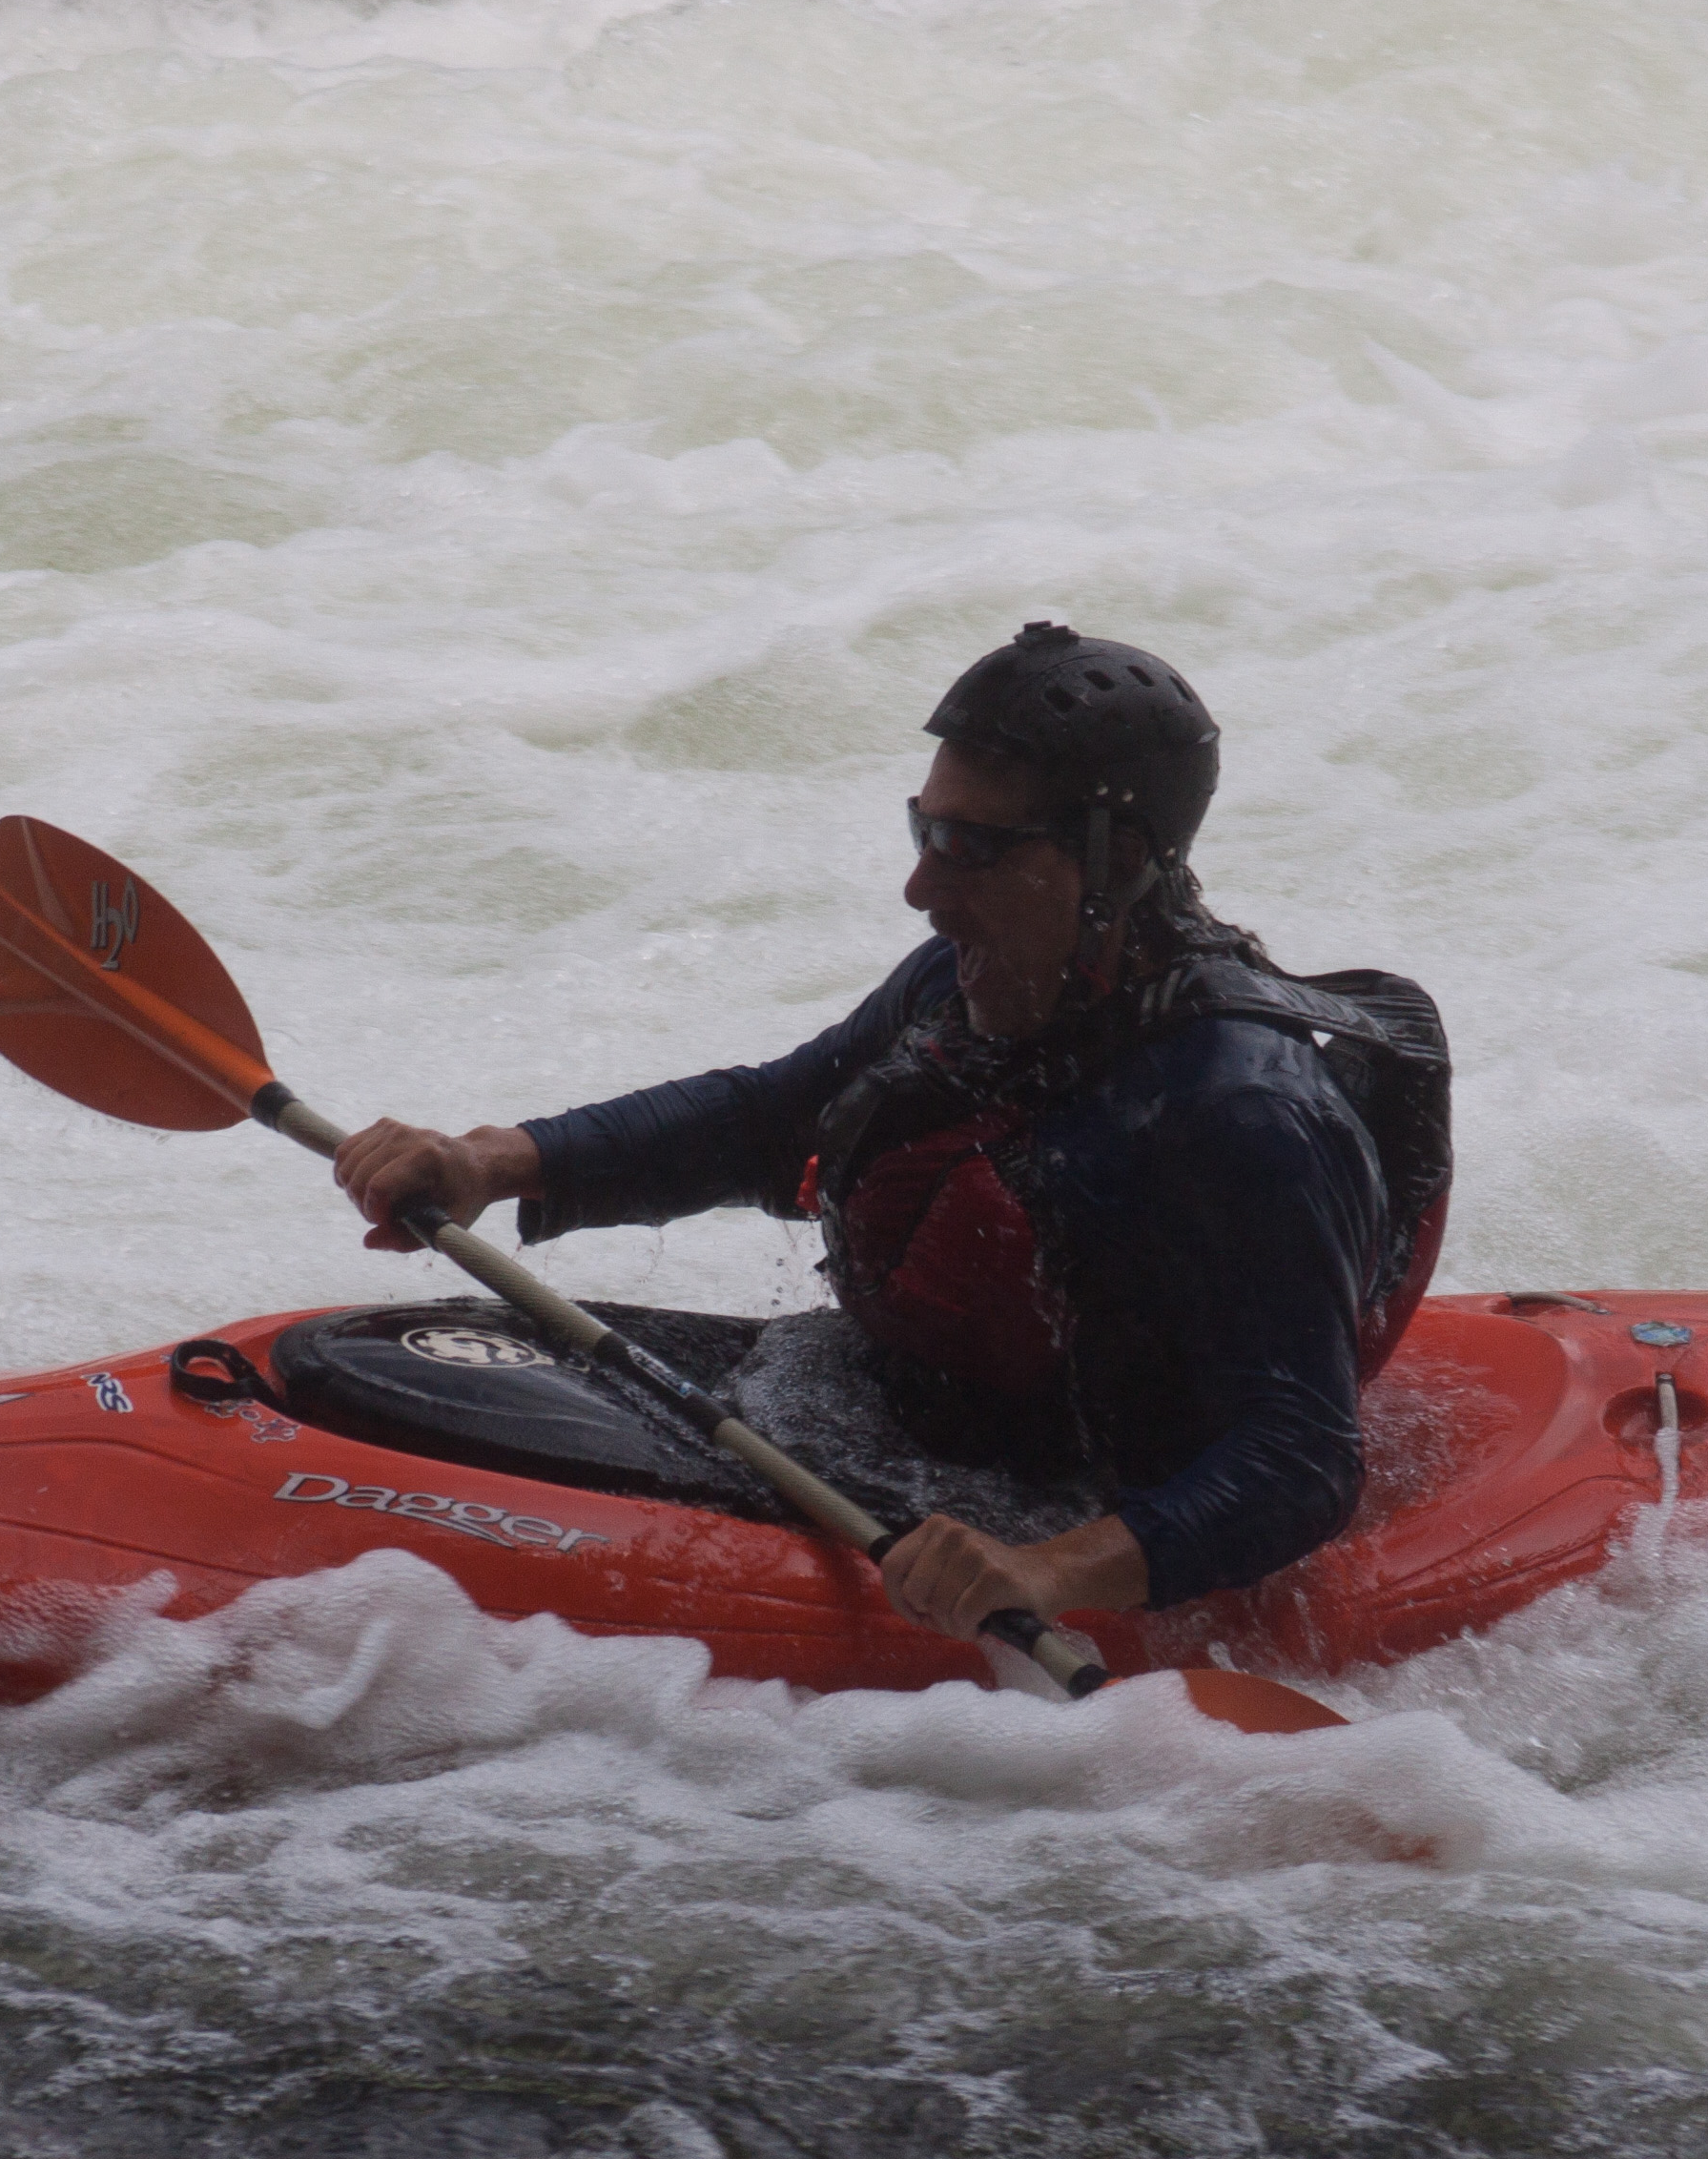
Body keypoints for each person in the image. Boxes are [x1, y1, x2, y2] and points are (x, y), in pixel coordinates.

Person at [330, 622, 1451, 1644]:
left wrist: (1047, 1572)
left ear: (1112, 863)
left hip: (1091, 1496)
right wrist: (492, 1161)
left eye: (971, 847)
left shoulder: (1241, 1115)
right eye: (924, 830)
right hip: (908, 1408)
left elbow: (1299, 1460)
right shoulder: (962, 984)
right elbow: (770, 1118)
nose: (920, 887)